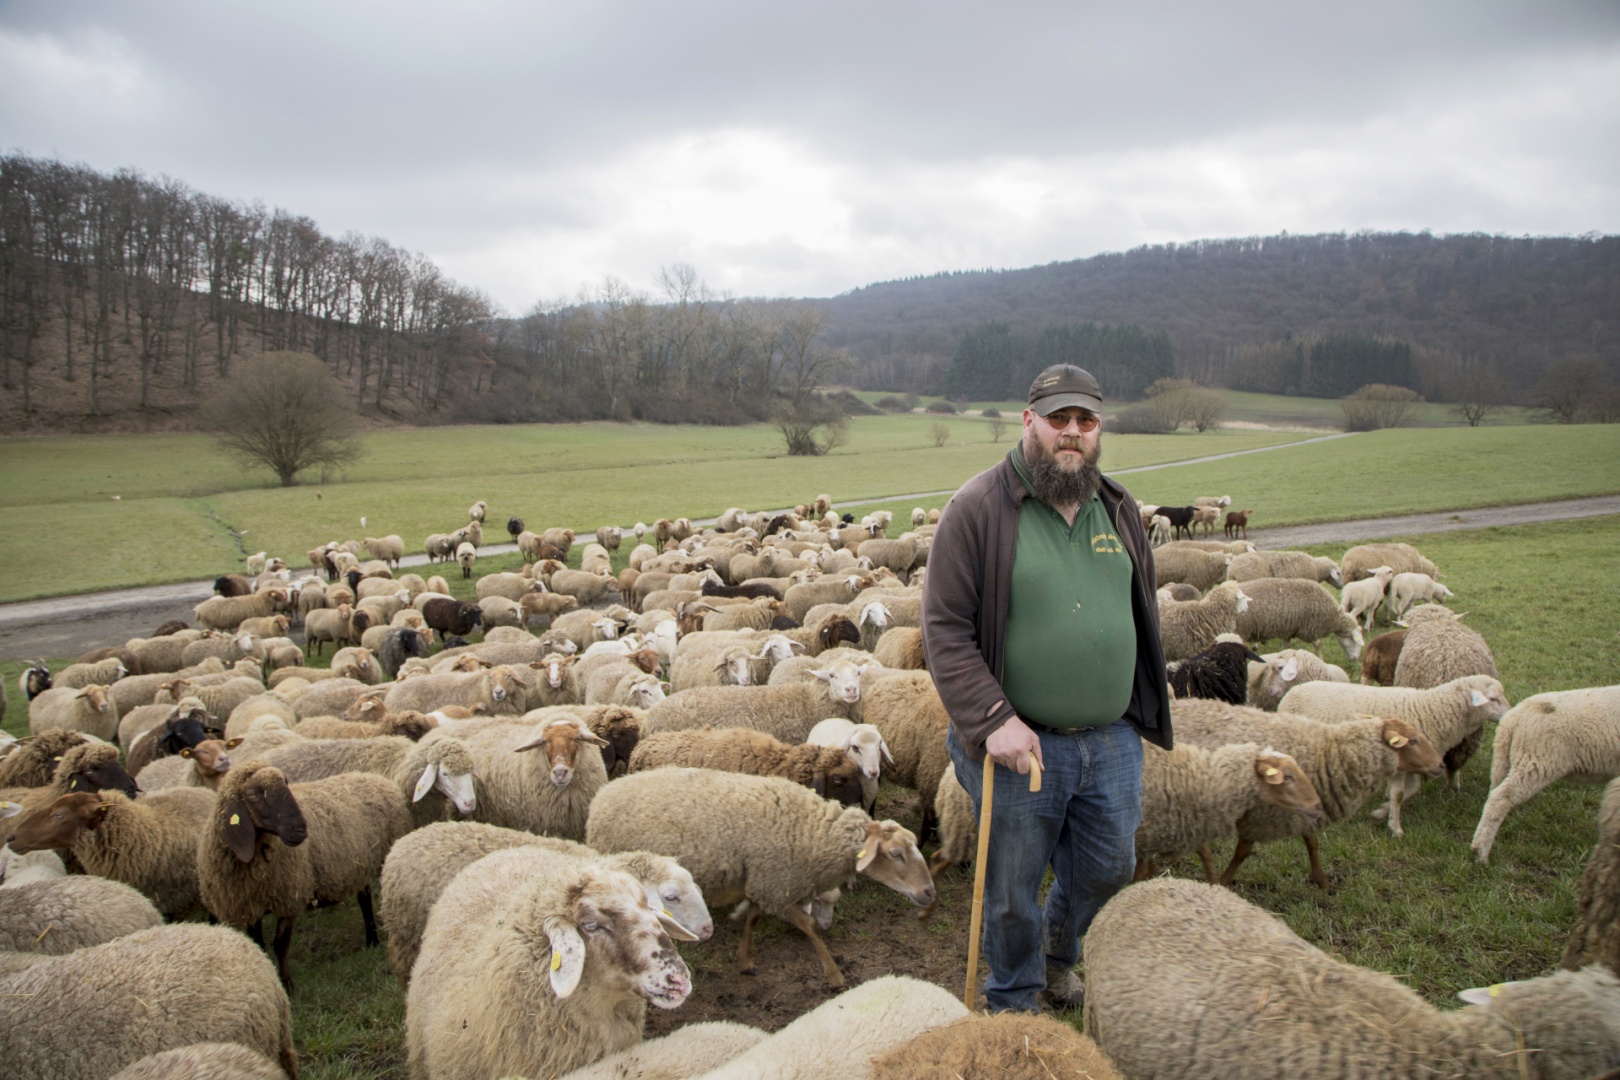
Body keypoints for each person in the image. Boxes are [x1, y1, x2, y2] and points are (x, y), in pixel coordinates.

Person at [920, 362, 1172, 1014]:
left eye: (1085, 421)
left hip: (1111, 740)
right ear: (1028, 420)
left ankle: (1058, 957)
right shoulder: (978, 510)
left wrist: (1140, 692)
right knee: (1011, 888)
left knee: (1108, 869)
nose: (1072, 432)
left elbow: (1136, 610)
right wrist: (993, 717)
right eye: (1058, 418)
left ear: (1097, 430)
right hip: (1020, 744)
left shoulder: (1116, 508)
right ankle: (1014, 997)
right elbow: (944, 630)